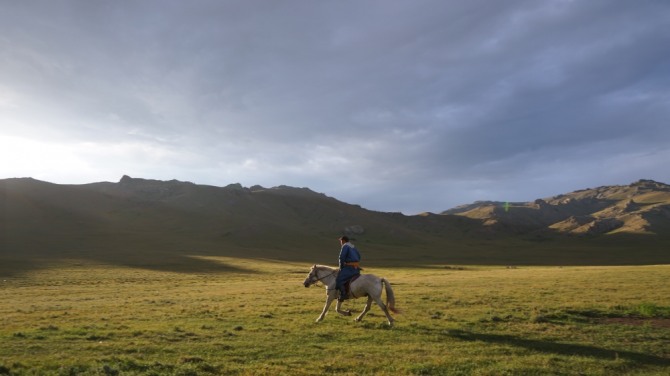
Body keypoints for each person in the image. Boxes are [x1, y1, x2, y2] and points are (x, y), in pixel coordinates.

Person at [335, 236, 361, 301]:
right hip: (356, 268)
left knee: (339, 279)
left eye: (341, 241)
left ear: (343, 240)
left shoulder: (345, 246)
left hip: (349, 268)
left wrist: (341, 267)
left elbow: (341, 257)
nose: (340, 243)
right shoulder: (353, 247)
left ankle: (344, 295)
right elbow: (359, 256)